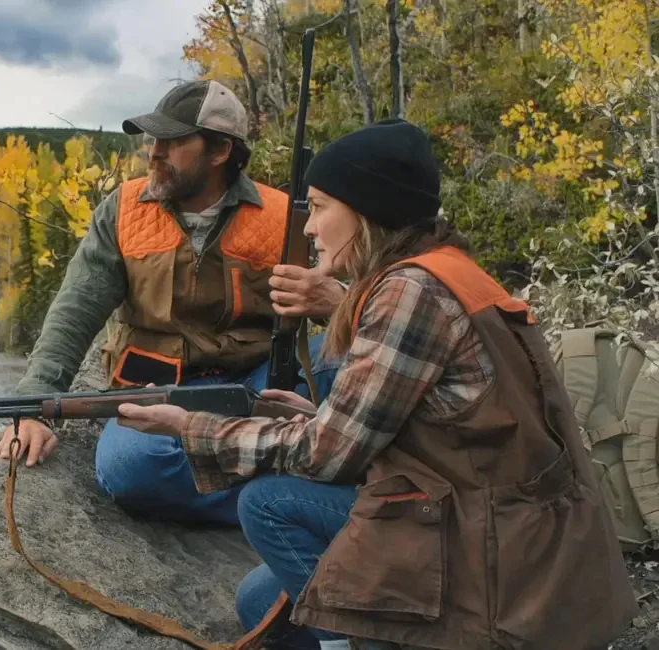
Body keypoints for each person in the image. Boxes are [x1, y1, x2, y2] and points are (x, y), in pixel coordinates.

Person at [116, 119, 638, 650]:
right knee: (262, 601)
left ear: (366, 212)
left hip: (490, 556)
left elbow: (326, 456)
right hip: (513, 534)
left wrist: (194, 428)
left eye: (321, 207)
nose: (309, 228)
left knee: (268, 503)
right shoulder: (448, 270)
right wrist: (314, 415)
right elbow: (446, 430)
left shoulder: (410, 292)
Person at [0, 79, 346, 526]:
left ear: (220, 151)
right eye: (153, 138)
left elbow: (385, 305)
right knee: (131, 468)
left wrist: (339, 300)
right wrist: (32, 410)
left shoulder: (286, 218)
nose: (153, 152)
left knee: (355, 361)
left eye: (172, 141)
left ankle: (278, 473)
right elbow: (74, 312)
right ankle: (284, 493)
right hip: (157, 389)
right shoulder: (123, 210)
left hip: (260, 382)